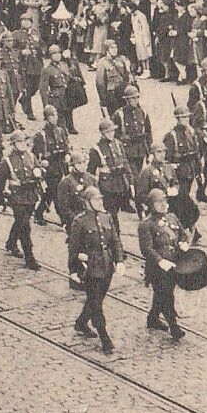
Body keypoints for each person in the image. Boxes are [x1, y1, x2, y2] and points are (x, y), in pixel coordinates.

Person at [69, 186, 126, 354]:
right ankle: (104, 337)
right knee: (96, 303)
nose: (100, 202)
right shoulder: (80, 222)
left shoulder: (107, 217)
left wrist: (119, 260)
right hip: (91, 267)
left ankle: (81, 322)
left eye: (101, 199)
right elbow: (73, 249)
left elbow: (115, 241)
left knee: (97, 298)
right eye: (96, 200)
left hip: (106, 265)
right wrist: (73, 270)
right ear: (87, 202)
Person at [138, 188, 188, 340]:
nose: (163, 204)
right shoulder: (146, 224)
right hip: (157, 267)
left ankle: (153, 318)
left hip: (174, 263)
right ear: (151, 205)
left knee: (161, 294)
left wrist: (184, 243)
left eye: (164, 201)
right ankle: (174, 326)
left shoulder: (171, 217)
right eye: (158, 202)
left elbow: (182, 234)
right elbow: (146, 248)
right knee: (167, 295)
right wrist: (160, 261)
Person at [0, 130, 42, 270]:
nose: (23, 144)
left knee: (21, 221)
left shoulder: (31, 156)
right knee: (25, 226)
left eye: (24, 141)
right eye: (19, 142)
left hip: (30, 194)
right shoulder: (8, 160)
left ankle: (11, 242)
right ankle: (29, 257)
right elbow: (1, 180)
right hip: (16, 195)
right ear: (14, 144)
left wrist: (39, 176)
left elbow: (37, 172)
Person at [56, 148, 98, 288]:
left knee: (90, 248)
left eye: (84, 162)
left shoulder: (90, 179)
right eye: (79, 163)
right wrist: (75, 221)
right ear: (73, 165)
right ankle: (75, 276)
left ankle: (87, 275)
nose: (82, 165)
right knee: (76, 249)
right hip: (75, 221)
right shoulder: (66, 182)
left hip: (90, 220)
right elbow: (64, 207)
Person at [88, 118, 134, 230]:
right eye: (108, 132)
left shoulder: (118, 144)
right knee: (111, 215)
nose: (111, 134)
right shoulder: (96, 149)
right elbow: (91, 172)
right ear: (102, 133)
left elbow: (126, 164)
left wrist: (131, 183)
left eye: (112, 131)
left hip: (121, 184)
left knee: (115, 213)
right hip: (107, 186)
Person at [32, 104, 70, 225]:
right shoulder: (41, 135)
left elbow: (65, 146)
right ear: (47, 118)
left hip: (60, 166)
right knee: (56, 192)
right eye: (52, 115)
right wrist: (41, 162)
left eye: (56, 115)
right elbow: (34, 154)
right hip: (49, 167)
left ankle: (39, 213)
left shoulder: (60, 131)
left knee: (51, 192)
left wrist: (68, 154)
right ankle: (64, 219)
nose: (55, 117)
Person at [163, 104, 201, 205]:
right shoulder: (171, 136)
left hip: (190, 169)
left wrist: (199, 169)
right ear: (178, 119)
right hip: (179, 172)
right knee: (179, 197)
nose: (187, 119)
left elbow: (196, 151)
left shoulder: (191, 132)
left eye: (188, 116)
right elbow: (167, 159)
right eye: (184, 117)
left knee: (186, 194)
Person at [112, 84, 152, 173]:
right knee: (132, 175)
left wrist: (149, 150)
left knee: (139, 172)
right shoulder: (119, 114)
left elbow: (148, 132)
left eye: (137, 97)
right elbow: (114, 135)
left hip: (141, 150)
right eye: (132, 98)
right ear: (127, 99)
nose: (136, 100)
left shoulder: (143, 113)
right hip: (127, 150)